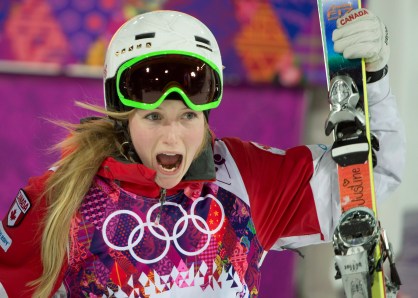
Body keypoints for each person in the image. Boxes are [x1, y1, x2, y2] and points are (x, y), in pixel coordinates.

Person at [0, 8, 405, 298]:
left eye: (189, 116)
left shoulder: (246, 179)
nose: (172, 138)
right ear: (123, 117)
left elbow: (369, 179)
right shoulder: (61, 198)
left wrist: (375, 81)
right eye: (154, 118)